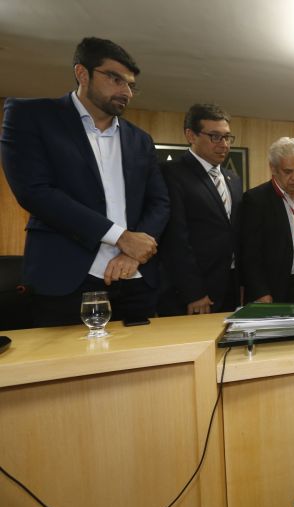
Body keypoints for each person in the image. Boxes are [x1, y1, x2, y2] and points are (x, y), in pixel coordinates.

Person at [1, 37, 169, 327]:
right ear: (82, 73)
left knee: (141, 370)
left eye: (130, 85)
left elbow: (159, 202)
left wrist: (134, 254)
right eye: (115, 79)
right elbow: (35, 192)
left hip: (135, 280)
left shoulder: (140, 139)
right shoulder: (30, 116)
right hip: (66, 280)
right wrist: (122, 237)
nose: (125, 91)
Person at [157, 104, 243, 315]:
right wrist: (193, 292)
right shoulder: (171, 174)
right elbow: (175, 240)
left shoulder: (233, 179)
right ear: (191, 135)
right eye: (215, 136)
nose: (223, 145)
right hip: (192, 294)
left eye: (227, 137)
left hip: (229, 287)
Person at [240, 137, 294, 303]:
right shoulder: (256, 200)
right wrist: (260, 292)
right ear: (273, 169)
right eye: (288, 172)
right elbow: (250, 254)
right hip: (274, 288)